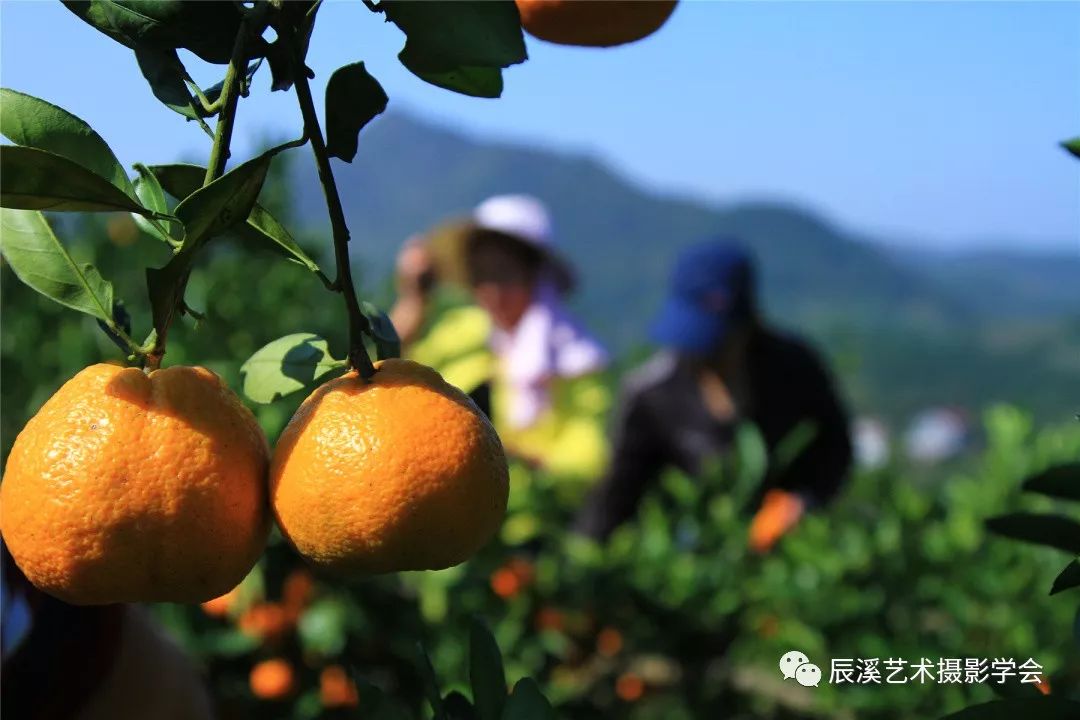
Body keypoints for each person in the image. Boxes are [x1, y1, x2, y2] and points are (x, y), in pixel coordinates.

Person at [574, 239, 852, 550]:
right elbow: (613, 500)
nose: (708, 355)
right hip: (690, 560)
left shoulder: (796, 369)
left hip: (789, 553)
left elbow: (835, 448)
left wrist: (800, 501)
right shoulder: (652, 394)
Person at [391, 194, 611, 495]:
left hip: (530, 520)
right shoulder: (463, 333)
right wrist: (414, 300)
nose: (492, 291)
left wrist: (528, 462)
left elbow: (589, 455)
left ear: (532, 274)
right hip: (448, 500)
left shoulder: (573, 355)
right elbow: (393, 369)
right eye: (482, 275)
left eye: (504, 274)